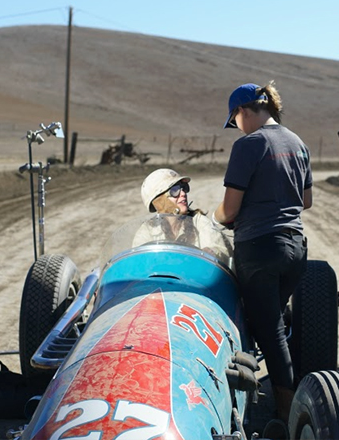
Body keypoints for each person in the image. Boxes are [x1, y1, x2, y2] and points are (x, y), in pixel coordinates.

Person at [213, 81, 312, 423]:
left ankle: (287, 411)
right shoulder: (298, 142)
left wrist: (214, 218)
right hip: (296, 248)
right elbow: (307, 200)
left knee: (266, 328)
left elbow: (229, 209)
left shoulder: (249, 146)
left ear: (243, 111)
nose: (236, 128)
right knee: (270, 321)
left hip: (259, 247)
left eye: (234, 120)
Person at [135, 168, 231, 260]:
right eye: (174, 190)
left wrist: (211, 252)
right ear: (159, 201)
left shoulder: (199, 222)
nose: (183, 194)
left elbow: (221, 253)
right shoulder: (147, 230)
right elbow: (137, 262)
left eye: (184, 188)